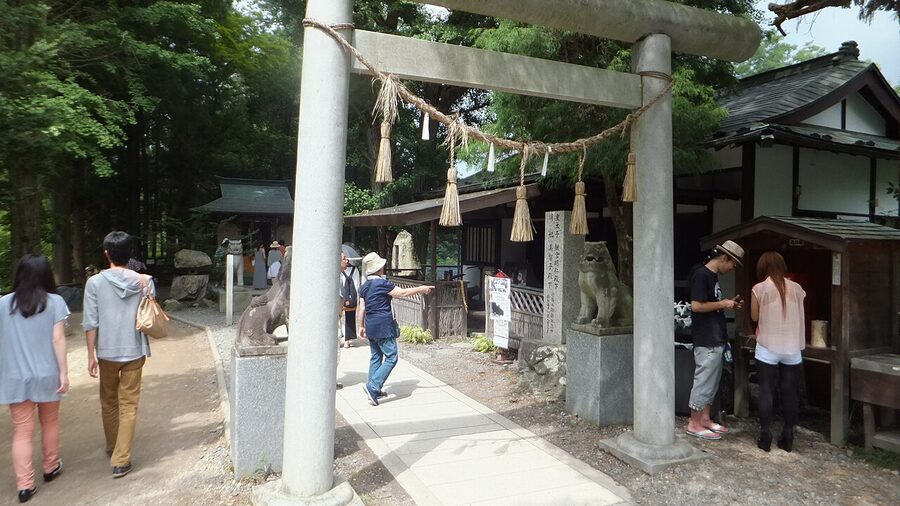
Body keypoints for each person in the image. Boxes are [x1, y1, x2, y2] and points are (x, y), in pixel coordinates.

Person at [83, 231, 153, 479]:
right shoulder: (145, 281)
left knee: (109, 402)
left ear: (106, 254)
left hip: (106, 353)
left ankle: (115, 446)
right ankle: (121, 460)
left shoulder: (94, 283)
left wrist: (91, 355)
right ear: (130, 254)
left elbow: (91, 323)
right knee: (129, 405)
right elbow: (149, 312)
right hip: (134, 350)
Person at [0, 255, 69, 503]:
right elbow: (58, 339)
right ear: (46, 275)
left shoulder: (3, 304)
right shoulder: (56, 302)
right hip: (48, 374)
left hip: (16, 378)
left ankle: (25, 486)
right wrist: (64, 372)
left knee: (22, 432)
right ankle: (50, 467)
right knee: (50, 422)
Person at [357, 252, 434, 406]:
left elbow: (362, 308)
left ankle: (374, 386)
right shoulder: (383, 284)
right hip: (383, 325)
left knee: (376, 356)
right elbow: (403, 293)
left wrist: (361, 326)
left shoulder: (364, 286)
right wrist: (421, 288)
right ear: (379, 268)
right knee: (392, 357)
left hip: (371, 324)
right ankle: (373, 387)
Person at [685, 240, 744, 441]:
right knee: (704, 379)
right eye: (733, 264)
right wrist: (722, 303)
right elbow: (696, 306)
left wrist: (727, 304)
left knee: (711, 380)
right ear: (725, 258)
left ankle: (705, 418)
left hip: (715, 335)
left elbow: (709, 304)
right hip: (706, 336)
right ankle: (694, 423)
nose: (732, 268)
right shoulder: (701, 275)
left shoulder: (711, 275)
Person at [751, 251, 806, 453]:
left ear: (763, 267)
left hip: (767, 345)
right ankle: (788, 435)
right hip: (793, 347)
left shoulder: (759, 288)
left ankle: (765, 436)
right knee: (790, 392)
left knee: (766, 390)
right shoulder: (798, 288)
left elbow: (755, 317)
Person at [340, 252, 359, 348]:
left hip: (342, 296)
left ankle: (344, 339)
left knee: (340, 319)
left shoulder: (339, 271)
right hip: (351, 296)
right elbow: (357, 285)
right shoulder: (355, 270)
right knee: (350, 317)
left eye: (346, 258)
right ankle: (349, 338)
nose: (346, 260)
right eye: (344, 258)